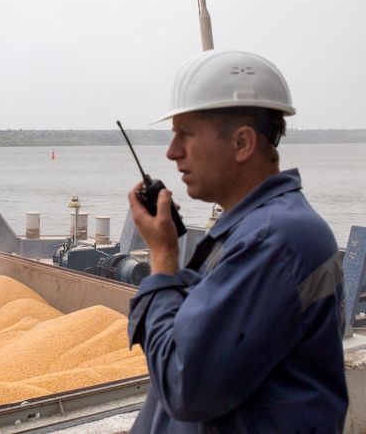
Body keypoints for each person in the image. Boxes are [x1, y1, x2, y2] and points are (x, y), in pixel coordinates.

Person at [126, 50, 348, 433]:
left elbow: (185, 386)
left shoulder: (276, 240)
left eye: (186, 134)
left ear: (243, 143)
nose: (171, 151)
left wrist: (162, 260)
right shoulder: (252, 229)